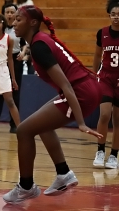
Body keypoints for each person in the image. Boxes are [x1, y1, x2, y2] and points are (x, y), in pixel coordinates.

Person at [3, 5, 103, 204]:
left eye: (19, 20)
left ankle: (26, 186)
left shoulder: (39, 46)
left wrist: (81, 123)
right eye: (13, 20)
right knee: (41, 126)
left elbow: (66, 84)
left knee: (23, 131)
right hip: (86, 89)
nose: (14, 23)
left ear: (32, 23)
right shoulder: (39, 42)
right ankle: (63, 173)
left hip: (80, 92)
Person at [0, 3, 27, 133]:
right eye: (7, 12)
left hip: (15, 60)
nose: (9, 14)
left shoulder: (19, 28)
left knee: (14, 93)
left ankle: (14, 125)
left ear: (16, 13)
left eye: (12, 12)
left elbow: (25, 44)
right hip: (0, 61)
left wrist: (23, 53)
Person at [93, 0, 119, 169]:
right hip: (105, 78)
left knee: (118, 120)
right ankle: (100, 150)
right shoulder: (102, 33)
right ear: (109, 15)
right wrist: (94, 75)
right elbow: (96, 56)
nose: (116, 17)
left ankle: (114, 155)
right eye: (114, 14)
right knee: (104, 115)